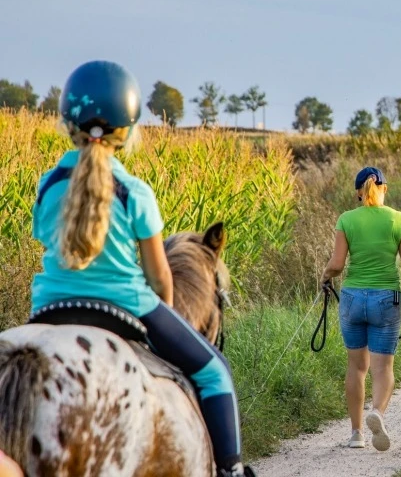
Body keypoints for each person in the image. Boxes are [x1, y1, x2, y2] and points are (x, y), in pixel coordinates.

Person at [30, 61, 252, 477]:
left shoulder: (48, 185)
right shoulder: (134, 192)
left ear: (67, 124)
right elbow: (159, 276)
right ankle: (231, 471)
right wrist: (163, 316)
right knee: (215, 373)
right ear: (128, 129)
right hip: (126, 304)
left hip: (49, 305)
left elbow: (46, 240)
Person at [320, 167, 401, 451]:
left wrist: (325, 276)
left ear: (358, 193)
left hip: (352, 298)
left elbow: (337, 264)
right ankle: (377, 413)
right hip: (386, 297)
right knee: (383, 367)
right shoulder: (399, 219)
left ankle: (356, 434)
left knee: (356, 367)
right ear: (385, 189)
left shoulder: (346, 219)